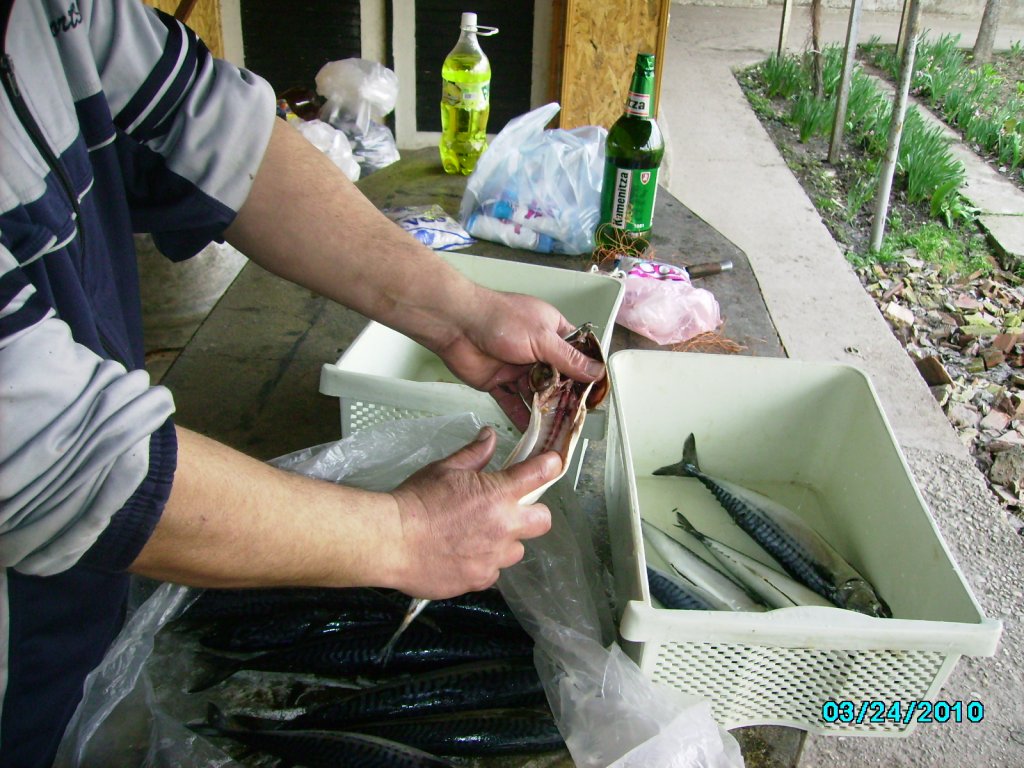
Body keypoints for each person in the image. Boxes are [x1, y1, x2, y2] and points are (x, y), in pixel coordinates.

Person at [0, 1, 604, 765]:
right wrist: (403, 535)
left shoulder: (52, 12)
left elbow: (218, 132)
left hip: (98, 574)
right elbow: (55, 458)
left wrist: (462, 313)